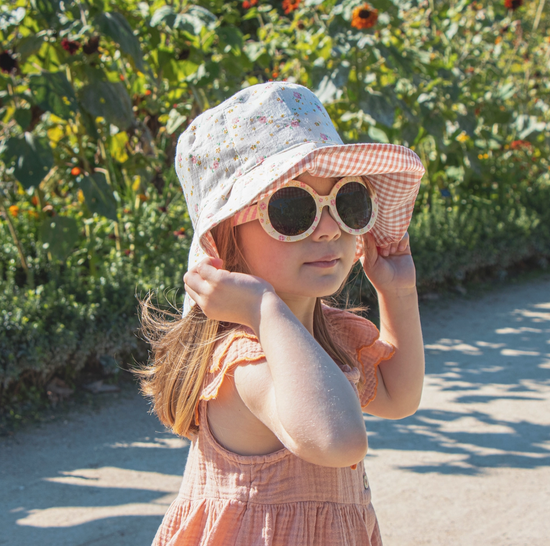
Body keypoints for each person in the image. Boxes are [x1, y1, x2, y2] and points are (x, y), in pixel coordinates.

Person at [137, 81, 425, 546]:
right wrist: (262, 307)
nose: (331, 228)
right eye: (293, 209)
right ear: (226, 238)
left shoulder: (325, 332)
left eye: (349, 201)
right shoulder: (244, 356)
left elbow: (398, 395)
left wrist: (399, 290)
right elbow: (339, 441)